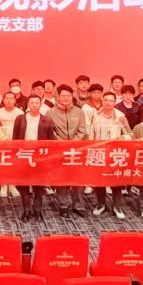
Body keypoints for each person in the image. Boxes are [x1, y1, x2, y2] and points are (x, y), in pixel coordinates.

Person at [50, 84, 89, 217]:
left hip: (77, 150)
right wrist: (61, 143)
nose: (66, 98)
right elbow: (51, 132)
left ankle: (78, 205)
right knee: (61, 179)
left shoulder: (79, 111)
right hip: (59, 151)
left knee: (78, 179)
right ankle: (63, 205)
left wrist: (73, 143)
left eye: (68, 96)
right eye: (63, 96)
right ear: (58, 96)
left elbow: (83, 130)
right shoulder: (50, 112)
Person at [13, 95, 54, 221]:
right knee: (23, 184)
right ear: (28, 104)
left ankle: (37, 210)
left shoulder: (46, 120)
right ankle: (26, 209)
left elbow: (50, 140)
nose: (34, 105)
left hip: (39, 155)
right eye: (32, 103)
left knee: (39, 184)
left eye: (37, 103)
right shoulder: (20, 118)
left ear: (40, 104)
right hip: (24, 154)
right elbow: (15, 138)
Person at [90, 91, 131, 218]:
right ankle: (101, 205)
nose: (108, 103)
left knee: (116, 181)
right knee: (99, 181)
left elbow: (130, 135)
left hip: (115, 153)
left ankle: (117, 207)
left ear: (114, 102)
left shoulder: (120, 116)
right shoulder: (95, 115)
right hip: (99, 152)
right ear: (102, 101)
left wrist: (120, 139)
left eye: (111, 100)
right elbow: (91, 134)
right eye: (105, 100)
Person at [0, 92, 25, 199]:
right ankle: (3, 185)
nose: (9, 100)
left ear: (15, 100)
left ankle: (13, 185)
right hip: (2, 142)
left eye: (11, 98)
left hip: (15, 142)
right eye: (7, 98)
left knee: (14, 164)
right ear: (3, 100)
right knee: (3, 163)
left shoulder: (20, 112)